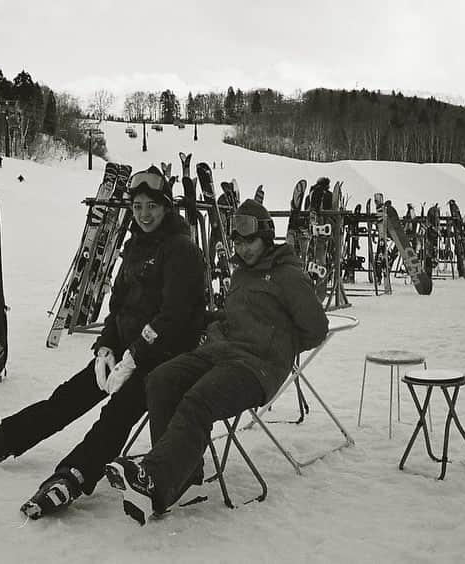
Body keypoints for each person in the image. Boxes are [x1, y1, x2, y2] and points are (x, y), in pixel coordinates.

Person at [0, 165, 207, 519]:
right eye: (137, 207)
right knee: (67, 398)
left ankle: (72, 477)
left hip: (164, 361)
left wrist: (134, 356)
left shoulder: (181, 250)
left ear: (166, 207)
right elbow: (118, 307)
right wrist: (105, 347)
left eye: (151, 206)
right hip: (125, 354)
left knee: (117, 414)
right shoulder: (135, 247)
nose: (144, 214)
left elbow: (174, 316)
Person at [105, 198, 329, 525]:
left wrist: (278, 343)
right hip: (221, 352)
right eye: (238, 242)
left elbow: (316, 329)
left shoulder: (287, 276)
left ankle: (154, 478)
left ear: (266, 238)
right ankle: (183, 471)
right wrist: (216, 326)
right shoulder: (241, 275)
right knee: (162, 379)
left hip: (257, 367)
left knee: (199, 401)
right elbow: (240, 316)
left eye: (250, 240)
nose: (244, 248)